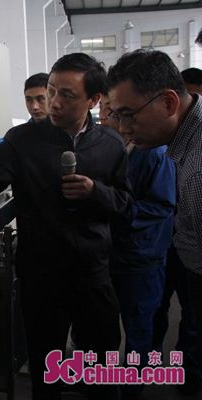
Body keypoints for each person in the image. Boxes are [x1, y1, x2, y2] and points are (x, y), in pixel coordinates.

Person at [0, 53, 131, 400]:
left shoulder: (111, 144)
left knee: (102, 370)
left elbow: (125, 203)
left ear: (93, 100)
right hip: (41, 278)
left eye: (67, 95)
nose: (53, 103)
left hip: (93, 275)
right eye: (51, 91)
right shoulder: (23, 141)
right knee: (45, 374)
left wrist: (96, 192)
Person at [107, 49, 202, 395]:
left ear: (169, 102)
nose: (123, 128)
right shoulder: (182, 143)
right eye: (115, 115)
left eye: (129, 115)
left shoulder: (195, 173)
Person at [99, 89, 176, 399]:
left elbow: (161, 206)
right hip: (110, 254)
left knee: (138, 327)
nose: (106, 117)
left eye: (114, 111)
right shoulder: (112, 149)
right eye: (104, 110)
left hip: (141, 257)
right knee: (103, 325)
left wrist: (112, 208)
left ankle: (132, 388)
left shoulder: (154, 152)